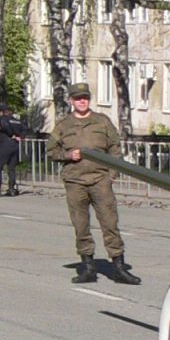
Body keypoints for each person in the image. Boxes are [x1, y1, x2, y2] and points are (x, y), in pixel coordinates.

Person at [53, 84, 137, 285]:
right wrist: (67, 155)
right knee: (81, 226)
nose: (82, 101)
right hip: (75, 181)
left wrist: (112, 173)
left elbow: (115, 146)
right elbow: (51, 151)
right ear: (71, 101)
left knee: (110, 223)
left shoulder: (102, 121)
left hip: (100, 180)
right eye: (78, 98)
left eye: (85, 98)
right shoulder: (64, 125)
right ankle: (88, 267)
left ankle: (118, 267)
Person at [0, 102, 24, 197]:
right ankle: (11, 189)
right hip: (15, 145)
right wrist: (20, 137)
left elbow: (5, 127)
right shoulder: (17, 121)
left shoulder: (3, 119)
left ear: (2, 112)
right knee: (11, 168)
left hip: (5, 144)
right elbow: (25, 129)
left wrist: (12, 135)